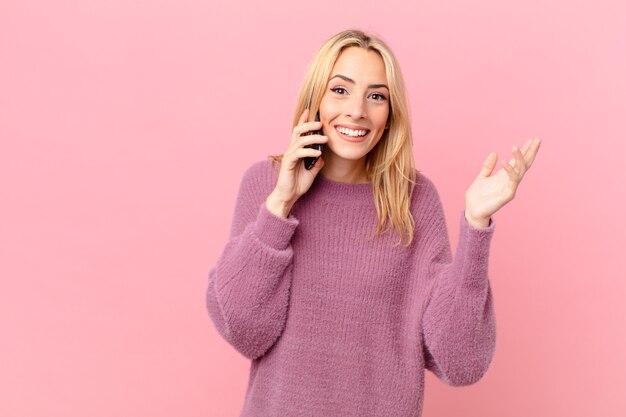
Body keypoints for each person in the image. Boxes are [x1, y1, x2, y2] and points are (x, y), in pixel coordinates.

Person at [206, 29, 541, 417]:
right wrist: (280, 204)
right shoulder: (265, 185)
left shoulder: (414, 201)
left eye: (376, 96)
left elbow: (460, 362)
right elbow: (242, 330)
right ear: (315, 97)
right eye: (340, 90)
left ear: (390, 114)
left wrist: (476, 225)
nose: (357, 111)